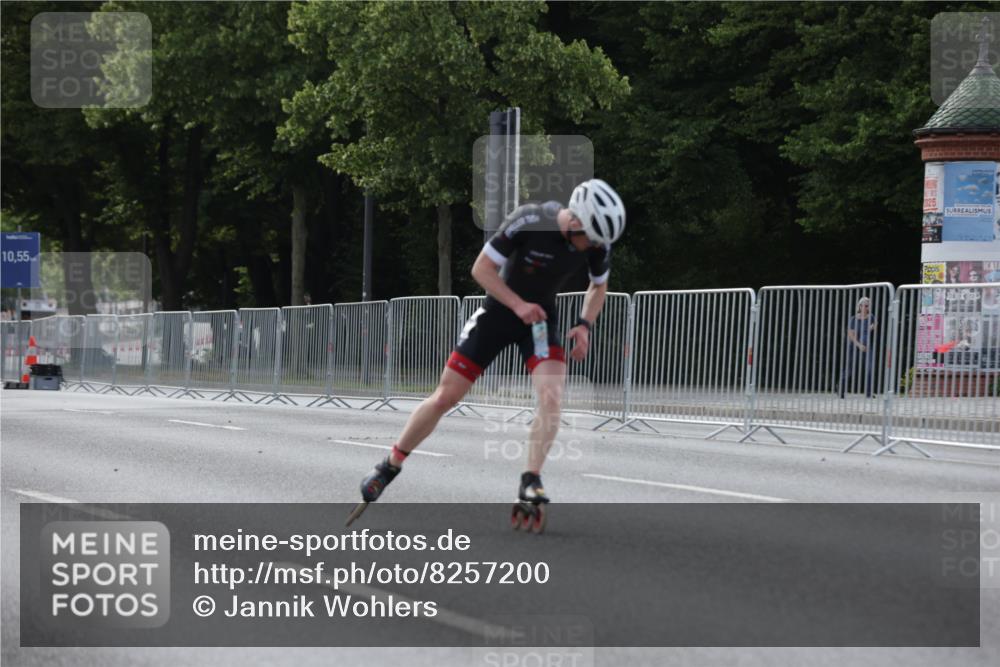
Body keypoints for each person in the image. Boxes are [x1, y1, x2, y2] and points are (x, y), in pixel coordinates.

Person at [353, 179, 626, 512]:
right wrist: (518, 305)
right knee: (446, 396)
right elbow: (481, 269)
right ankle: (390, 464)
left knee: (552, 395)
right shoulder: (529, 220)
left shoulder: (597, 243)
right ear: (574, 221)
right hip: (498, 314)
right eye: (590, 239)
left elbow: (599, 286)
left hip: (539, 321)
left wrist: (584, 324)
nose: (593, 247)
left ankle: (530, 480)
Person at [840, 297, 877, 398]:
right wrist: (859, 345)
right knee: (849, 370)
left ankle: (869, 393)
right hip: (854, 346)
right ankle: (841, 390)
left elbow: (875, 326)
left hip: (868, 346)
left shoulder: (871, 317)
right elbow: (851, 335)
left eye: (867, 306)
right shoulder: (853, 319)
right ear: (859, 306)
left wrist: (870, 328)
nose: (865, 307)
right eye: (863, 305)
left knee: (869, 369)